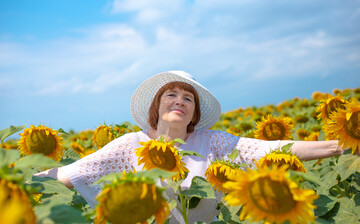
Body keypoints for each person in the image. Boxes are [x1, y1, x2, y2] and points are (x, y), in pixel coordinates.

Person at [35, 70, 343, 223]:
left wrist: (337, 146)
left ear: (195, 113)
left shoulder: (212, 142)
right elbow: (74, 172)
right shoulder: (131, 145)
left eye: (188, 98)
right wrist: (20, 181)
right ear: (156, 106)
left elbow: (271, 149)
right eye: (171, 95)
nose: (179, 101)